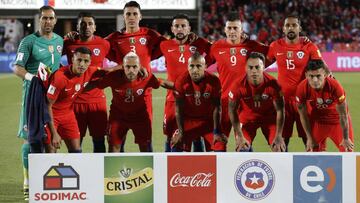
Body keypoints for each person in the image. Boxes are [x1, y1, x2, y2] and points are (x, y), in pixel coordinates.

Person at [13, 6, 63, 200]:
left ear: (55, 20)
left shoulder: (60, 41)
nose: (47, 22)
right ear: (39, 20)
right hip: (33, 95)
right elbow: (17, 67)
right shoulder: (28, 41)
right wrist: (31, 77)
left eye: (50, 18)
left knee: (49, 138)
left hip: (53, 96)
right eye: (44, 18)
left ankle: (47, 182)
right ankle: (28, 180)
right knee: (30, 137)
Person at [105, 1, 165, 151]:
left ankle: (148, 174)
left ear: (140, 16)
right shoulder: (115, 38)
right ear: (124, 17)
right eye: (128, 14)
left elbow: (168, 46)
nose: (131, 17)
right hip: (120, 95)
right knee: (116, 142)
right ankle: (116, 173)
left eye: (134, 14)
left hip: (144, 96)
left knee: (145, 142)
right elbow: (98, 46)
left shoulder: (150, 34)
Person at [86, 52, 171, 152]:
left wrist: (180, 88)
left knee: (145, 149)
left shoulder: (146, 76)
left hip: (140, 117)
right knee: (113, 147)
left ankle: (147, 168)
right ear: (123, 67)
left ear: (139, 67)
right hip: (118, 117)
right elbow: (95, 84)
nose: (131, 70)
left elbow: (162, 82)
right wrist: (75, 89)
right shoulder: (113, 76)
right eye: (128, 67)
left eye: (134, 67)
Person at [209, 13, 268, 151]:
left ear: (242, 30)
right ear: (225, 30)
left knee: (243, 144)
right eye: (229, 28)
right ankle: (220, 172)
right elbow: (201, 64)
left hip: (245, 102)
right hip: (224, 102)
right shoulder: (216, 47)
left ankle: (246, 170)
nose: (232, 31)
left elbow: (274, 53)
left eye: (236, 28)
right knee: (219, 144)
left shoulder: (252, 46)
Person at [267, 15, 322, 150]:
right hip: (283, 102)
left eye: (294, 25)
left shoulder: (309, 46)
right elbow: (261, 64)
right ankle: (281, 171)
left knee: (310, 142)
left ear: (300, 28)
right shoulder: (275, 46)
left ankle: (313, 169)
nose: (290, 28)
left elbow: (320, 67)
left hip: (304, 101)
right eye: (288, 25)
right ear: (283, 29)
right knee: (280, 143)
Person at [160, 13, 212, 152]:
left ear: (189, 29)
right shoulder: (164, 45)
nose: (180, 29)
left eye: (183, 26)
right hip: (172, 98)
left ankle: (199, 166)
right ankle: (167, 166)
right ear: (172, 29)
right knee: (170, 135)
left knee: (196, 135)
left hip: (193, 98)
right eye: (177, 26)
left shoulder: (199, 44)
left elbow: (215, 52)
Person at [63, 12, 110, 152]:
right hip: (75, 102)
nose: (86, 26)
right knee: (76, 145)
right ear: (77, 26)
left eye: (90, 24)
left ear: (95, 27)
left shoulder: (104, 44)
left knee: (99, 142)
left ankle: (98, 174)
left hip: (97, 102)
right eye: (83, 23)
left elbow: (121, 58)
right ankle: (77, 174)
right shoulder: (68, 43)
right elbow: (51, 58)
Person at [46, 47, 103, 153]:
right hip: (52, 115)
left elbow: (110, 71)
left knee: (76, 151)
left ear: (90, 62)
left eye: (86, 61)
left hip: (68, 115)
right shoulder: (60, 77)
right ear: (72, 59)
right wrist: (54, 133)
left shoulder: (90, 71)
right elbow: (47, 105)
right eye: (79, 60)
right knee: (51, 152)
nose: (82, 64)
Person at [228, 52, 286, 152]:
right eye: (250, 67)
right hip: (246, 120)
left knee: (280, 149)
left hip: (269, 120)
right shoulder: (237, 85)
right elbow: (232, 110)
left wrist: (279, 135)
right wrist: (239, 135)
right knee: (242, 149)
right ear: (245, 68)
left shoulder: (274, 84)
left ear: (263, 67)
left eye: (257, 67)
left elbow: (280, 110)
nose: (254, 71)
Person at [171, 52, 227, 152]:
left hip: (208, 122)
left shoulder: (214, 81)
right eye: (191, 66)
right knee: (176, 144)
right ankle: (181, 168)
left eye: (198, 66)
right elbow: (178, 109)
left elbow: (217, 107)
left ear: (205, 66)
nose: (195, 70)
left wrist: (216, 131)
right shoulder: (181, 81)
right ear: (187, 66)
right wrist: (180, 131)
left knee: (220, 144)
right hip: (188, 121)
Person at [296, 59, 354, 152]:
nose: (315, 80)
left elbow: (343, 115)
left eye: (318, 76)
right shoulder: (301, 89)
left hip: (337, 122)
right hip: (318, 122)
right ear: (306, 75)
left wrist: (346, 138)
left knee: (347, 151)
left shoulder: (335, 86)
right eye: (311, 76)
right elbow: (303, 116)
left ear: (325, 75)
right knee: (311, 152)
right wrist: (309, 138)